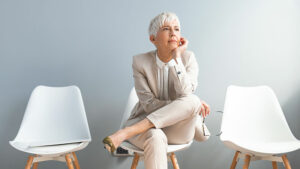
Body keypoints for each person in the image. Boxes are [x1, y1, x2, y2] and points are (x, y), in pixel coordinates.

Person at [103, 12, 211, 169]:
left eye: (177, 29)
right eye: (166, 29)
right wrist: (183, 106)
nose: (173, 33)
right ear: (153, 39)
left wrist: (176, 58)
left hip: (178, 129)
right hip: (146, 126)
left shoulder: (188, 59)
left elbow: (185, 93)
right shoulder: (140, 62)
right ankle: (136, 129)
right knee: (155, 136)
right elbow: (149, 105)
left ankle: (126, 132)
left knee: (192, 100)